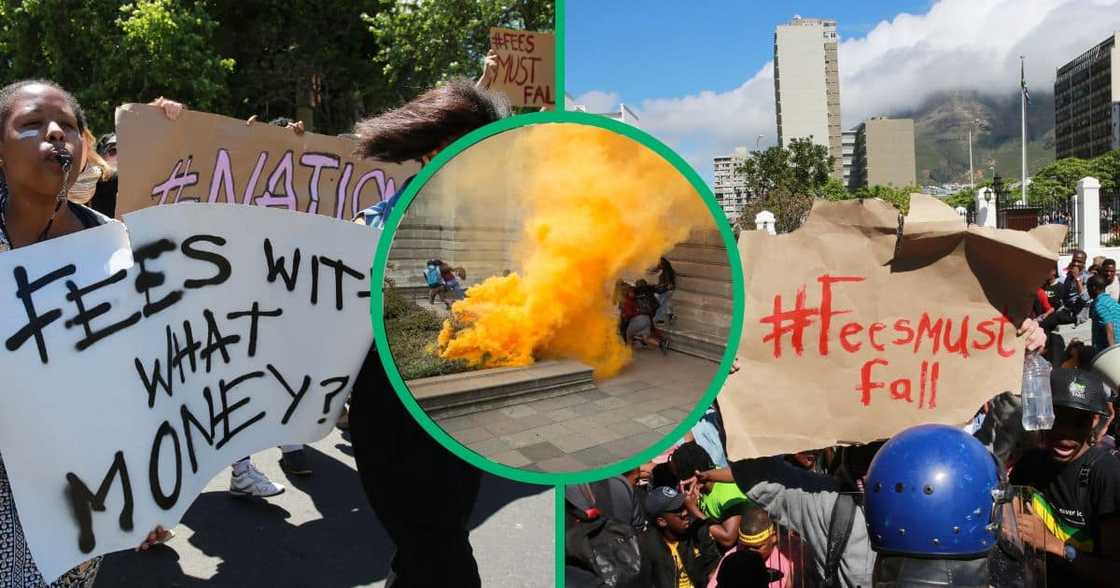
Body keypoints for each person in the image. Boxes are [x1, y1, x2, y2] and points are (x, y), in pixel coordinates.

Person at [0, 78, 168, 588]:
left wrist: (146, 492)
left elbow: (135, 376)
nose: (56, 134)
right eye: (31, 124)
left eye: (69, 126)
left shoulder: (113, 244)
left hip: (77, 489)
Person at [348, 75, 507, 587]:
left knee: (435, 538)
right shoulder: (377, 221)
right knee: (431, 545)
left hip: (463, 407)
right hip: (389, 406)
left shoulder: (505, 220)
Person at [1009, 368, 1120, 586]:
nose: (1065, 434)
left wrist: (1053, 544)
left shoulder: (1107, 474)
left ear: (1094, 420)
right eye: (1057, 418)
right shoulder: (1029, 464)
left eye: (1078, 422)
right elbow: (1012, 522)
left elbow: (1115, 573)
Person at [639, 486, 722, 588]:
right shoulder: (646, 545)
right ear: (662, 521)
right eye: (678, 511)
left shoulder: (698, 531)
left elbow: (714, 563)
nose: (685, 512)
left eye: (684, 506)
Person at [671, 442, 748, 550]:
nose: (678, 481)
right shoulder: (701, 485)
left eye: (678, 475)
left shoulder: (727, 493)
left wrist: (694, 510)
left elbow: (728, 538)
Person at [708, 504, 792, 588]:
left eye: (757, 547)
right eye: (745, 547)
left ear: (774, 537)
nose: (750, 552)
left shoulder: (791, 557)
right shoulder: (730, 559)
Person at [1089, 274, 1120, 354]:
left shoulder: (1100, 305)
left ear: (1094, 288)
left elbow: (1109, 328)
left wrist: (1113, 354)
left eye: (1088, 287)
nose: (1087, 291)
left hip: (1107, 351)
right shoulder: (1112, 302)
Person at [652, 256, 676, 324]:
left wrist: (660, 286)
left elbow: (668, 283)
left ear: (663, 264)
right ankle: (670, 316)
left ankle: (659, 319)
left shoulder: (667, 271)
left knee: (659, 304)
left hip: (666, 290)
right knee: (664, 304)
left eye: (659, 263)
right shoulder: (667, 270)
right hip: (667, 290)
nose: (658, 264)